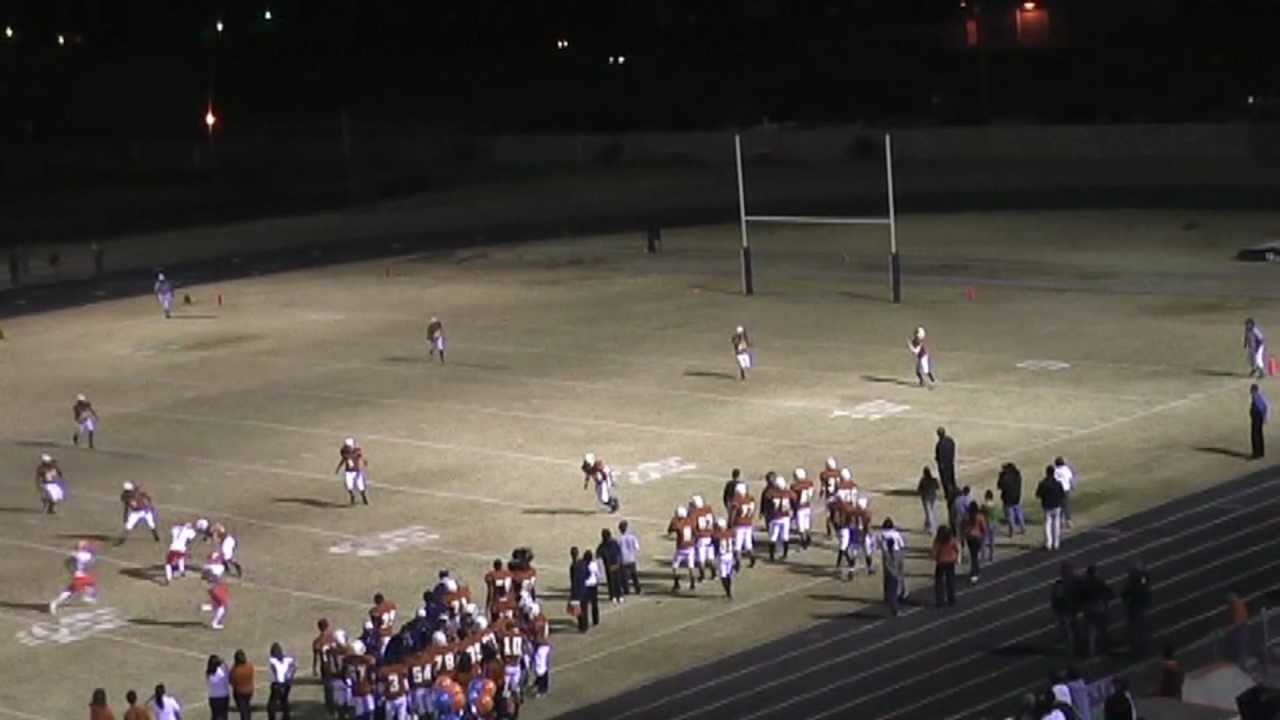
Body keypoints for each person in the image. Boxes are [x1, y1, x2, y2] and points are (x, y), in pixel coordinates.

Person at [1081, 565, 1114, 657]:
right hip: (1099, 608)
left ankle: (1091, 651)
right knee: (1102, 629)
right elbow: (1110, 593)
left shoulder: (1085, 583)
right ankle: (1105, 647)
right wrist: (1105, 600)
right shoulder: (1099, 582)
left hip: (1088, 608)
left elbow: (1080, 596)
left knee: (1091, 631)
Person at [1121, 561, 1152, 657]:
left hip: (1134, 608)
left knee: (1135, 630)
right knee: (1142, 630)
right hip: (1141, 606)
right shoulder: (1143, 581)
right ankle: (1143, 649)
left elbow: (1124, 593)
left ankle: (1137, 650)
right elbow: (1145, 580)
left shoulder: (1133, 584)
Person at [1051, 562, 1082, 656]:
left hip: (1065, 610)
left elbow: (1056, 597)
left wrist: (1056, 607)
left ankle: (1072, 649)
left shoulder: (1060, 584)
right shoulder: (1076, 581)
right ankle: (1077, 647)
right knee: (1074, 628)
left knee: (1068, 630)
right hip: (1072, 608)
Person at [880, 518, 907, 617]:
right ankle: (900, 596)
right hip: (896, 554)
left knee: (887, 578)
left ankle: (887, 597)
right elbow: (902, 545)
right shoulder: (895, 534)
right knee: (897, 578)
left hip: (886, 555)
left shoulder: (881, 534)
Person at [1036, 465, 1066, 550]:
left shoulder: (1043, 483)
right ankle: (1056, 543)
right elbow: (1062, 495)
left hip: (1047, 506)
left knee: (1047, 524)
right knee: (1056, 524)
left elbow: (1038, 494)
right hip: (1056, 506)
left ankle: (1048, 543)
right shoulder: (1058, 483)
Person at [931, 526, 959, 607]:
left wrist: (935, 557)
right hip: (950, 561)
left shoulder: (938, 541)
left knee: (939, 581)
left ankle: (940, 600)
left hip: (941, 562)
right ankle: (952, 598)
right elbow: (957, 548)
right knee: (950, 580)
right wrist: (956, 557)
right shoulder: (951, 540)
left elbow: (934, 552)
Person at [935, 428, 958, 526]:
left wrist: (939, 462)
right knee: (952, 478)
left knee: (945, 480)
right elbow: (953, 448)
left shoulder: (939, 444)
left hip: (944, 465)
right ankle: (954, 490)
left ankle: (949, 494)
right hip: (950, 462)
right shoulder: (950, 440)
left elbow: (938, 455)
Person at [267, 642, 295, 720]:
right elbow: (293, 668)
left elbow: (273, 673)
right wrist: (290, 678)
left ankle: (272, 718)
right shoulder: (287, 659)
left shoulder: (273, 661)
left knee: (272, 704)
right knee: (284, 701)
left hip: (277, 684)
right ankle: (286, 717)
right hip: (287, 684)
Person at [997, 462, 1026, 537]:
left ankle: (1012, 530)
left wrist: (1000, 477)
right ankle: (1023, 528)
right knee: (1019, 514)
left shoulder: (1005, 477)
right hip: (1017, 497)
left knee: (1010, 516)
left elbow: (999, 486)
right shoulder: (1017, 475)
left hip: (1008, 499)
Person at [596, 529, 624, 604]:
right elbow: (619, 553)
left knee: (612, 581)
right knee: (616, 581)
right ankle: (618, 596)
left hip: (609, 566)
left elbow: (598, 555)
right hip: (615, 565)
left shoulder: (603, 545)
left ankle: (614, 596)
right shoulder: (614, 543)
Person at [962, 500, 987, 583]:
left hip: (969, 537)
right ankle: (975, 573)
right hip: (978, 538)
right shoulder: (980, 516)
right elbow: (984, 528)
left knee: (973, 556)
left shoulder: (966, 516)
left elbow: (963, 526)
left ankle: (974, 571)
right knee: (975, 556)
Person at [228, 649, 254, 720]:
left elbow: (231, 681)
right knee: (247, 707)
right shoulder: (249, 666)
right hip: (249, 690)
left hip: (239, 692)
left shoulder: (235, 670)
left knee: (243, 710)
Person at [618, 520, 641, 595]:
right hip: (631, 559)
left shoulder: (619, 539)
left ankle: (626, 590)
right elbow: (637, 548)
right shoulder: (632, 537)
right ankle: (637, 589)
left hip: (623, 560)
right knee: (634, 575)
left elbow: (618, 550)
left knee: (624, 577)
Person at [1226, 591, 1249, 665]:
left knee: (1240, 648)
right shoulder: (1238, 603)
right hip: (1241, 627)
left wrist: (1229, 628)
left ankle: (1241, 665)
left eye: (1228, 598)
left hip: (1240, 628)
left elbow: (1238, 621)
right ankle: (1241, 664)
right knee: (1241, 648)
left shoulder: (1237, 605)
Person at [568, 547, 587, 632]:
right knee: (584, 607)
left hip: (577, 590)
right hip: (584, 588)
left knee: (579, 609)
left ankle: (582, 626)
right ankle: (585, 625)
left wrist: (573, 592)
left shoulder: (573, 566)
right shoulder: (582, 563)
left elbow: (573, 580)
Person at [1054, 457, 1076, 529]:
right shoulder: (1066, 470)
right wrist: (1073, 486)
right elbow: (1070, 478)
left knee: (1059, 506)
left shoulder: (1055, 471)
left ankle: (1061, 522)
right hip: (1066, 489)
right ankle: (1068, 521)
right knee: (1066, 506)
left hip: (1057, 491)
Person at [917, 466, 939, 534]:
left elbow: (919, 489)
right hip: (932, 497)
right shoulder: (933, 480)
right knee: (930, 511)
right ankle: (927, 525)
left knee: (928, 512)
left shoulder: (923, 480)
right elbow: (937, 487)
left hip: (926, 497)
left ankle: (931, 528)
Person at [582, 549, 601, 628]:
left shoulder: (582, 564)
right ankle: (596, 620)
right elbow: (598, 574)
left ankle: (584, 623)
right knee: (594, 604)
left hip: (585, 586)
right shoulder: (594, 564)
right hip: (593, 585)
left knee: (585, 605)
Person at [207, 655, 230, 720]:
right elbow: (228, 674)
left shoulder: (209, 673)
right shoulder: (222, 673)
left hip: (213, 697)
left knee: (214, 716)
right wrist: (224, 663)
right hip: (223, 697)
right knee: (224, 716)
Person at [1250, 383, 1268, 459]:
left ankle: (1256, 453)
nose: (1250, 392)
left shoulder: (1256, 397)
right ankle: (1261, 452)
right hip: (1258, 417)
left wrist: (1264, 417)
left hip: (1257, 417)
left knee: (1255, 435)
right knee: (1259, 434)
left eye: (1251, 390)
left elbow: (1263, 407)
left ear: (1254, 390)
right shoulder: (1259, 396)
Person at [980, 490, 998, 562]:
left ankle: (983, 556)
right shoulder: (994, 505)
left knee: (983, 541)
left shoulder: (984, 505)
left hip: (986, 523)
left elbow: (981, 513)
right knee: (992, 541)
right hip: (994, 524)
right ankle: (991, 556)